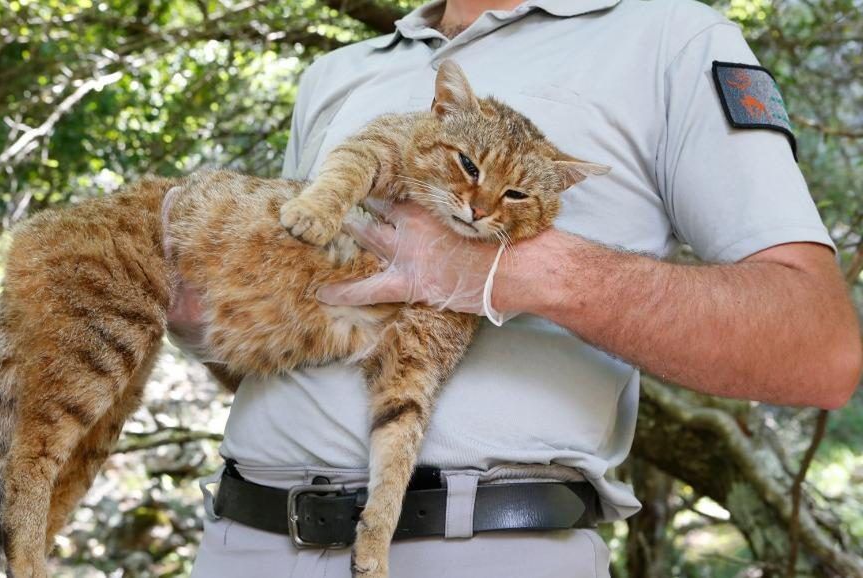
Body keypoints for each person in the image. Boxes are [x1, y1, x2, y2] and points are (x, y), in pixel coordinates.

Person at [184, 0, 863, 576]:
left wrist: (510, 273)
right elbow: (295, 322)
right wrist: (199, 308)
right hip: (242, 537)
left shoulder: (671, 36)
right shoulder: (337, 72)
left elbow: (819, 348)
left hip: (483, 546)